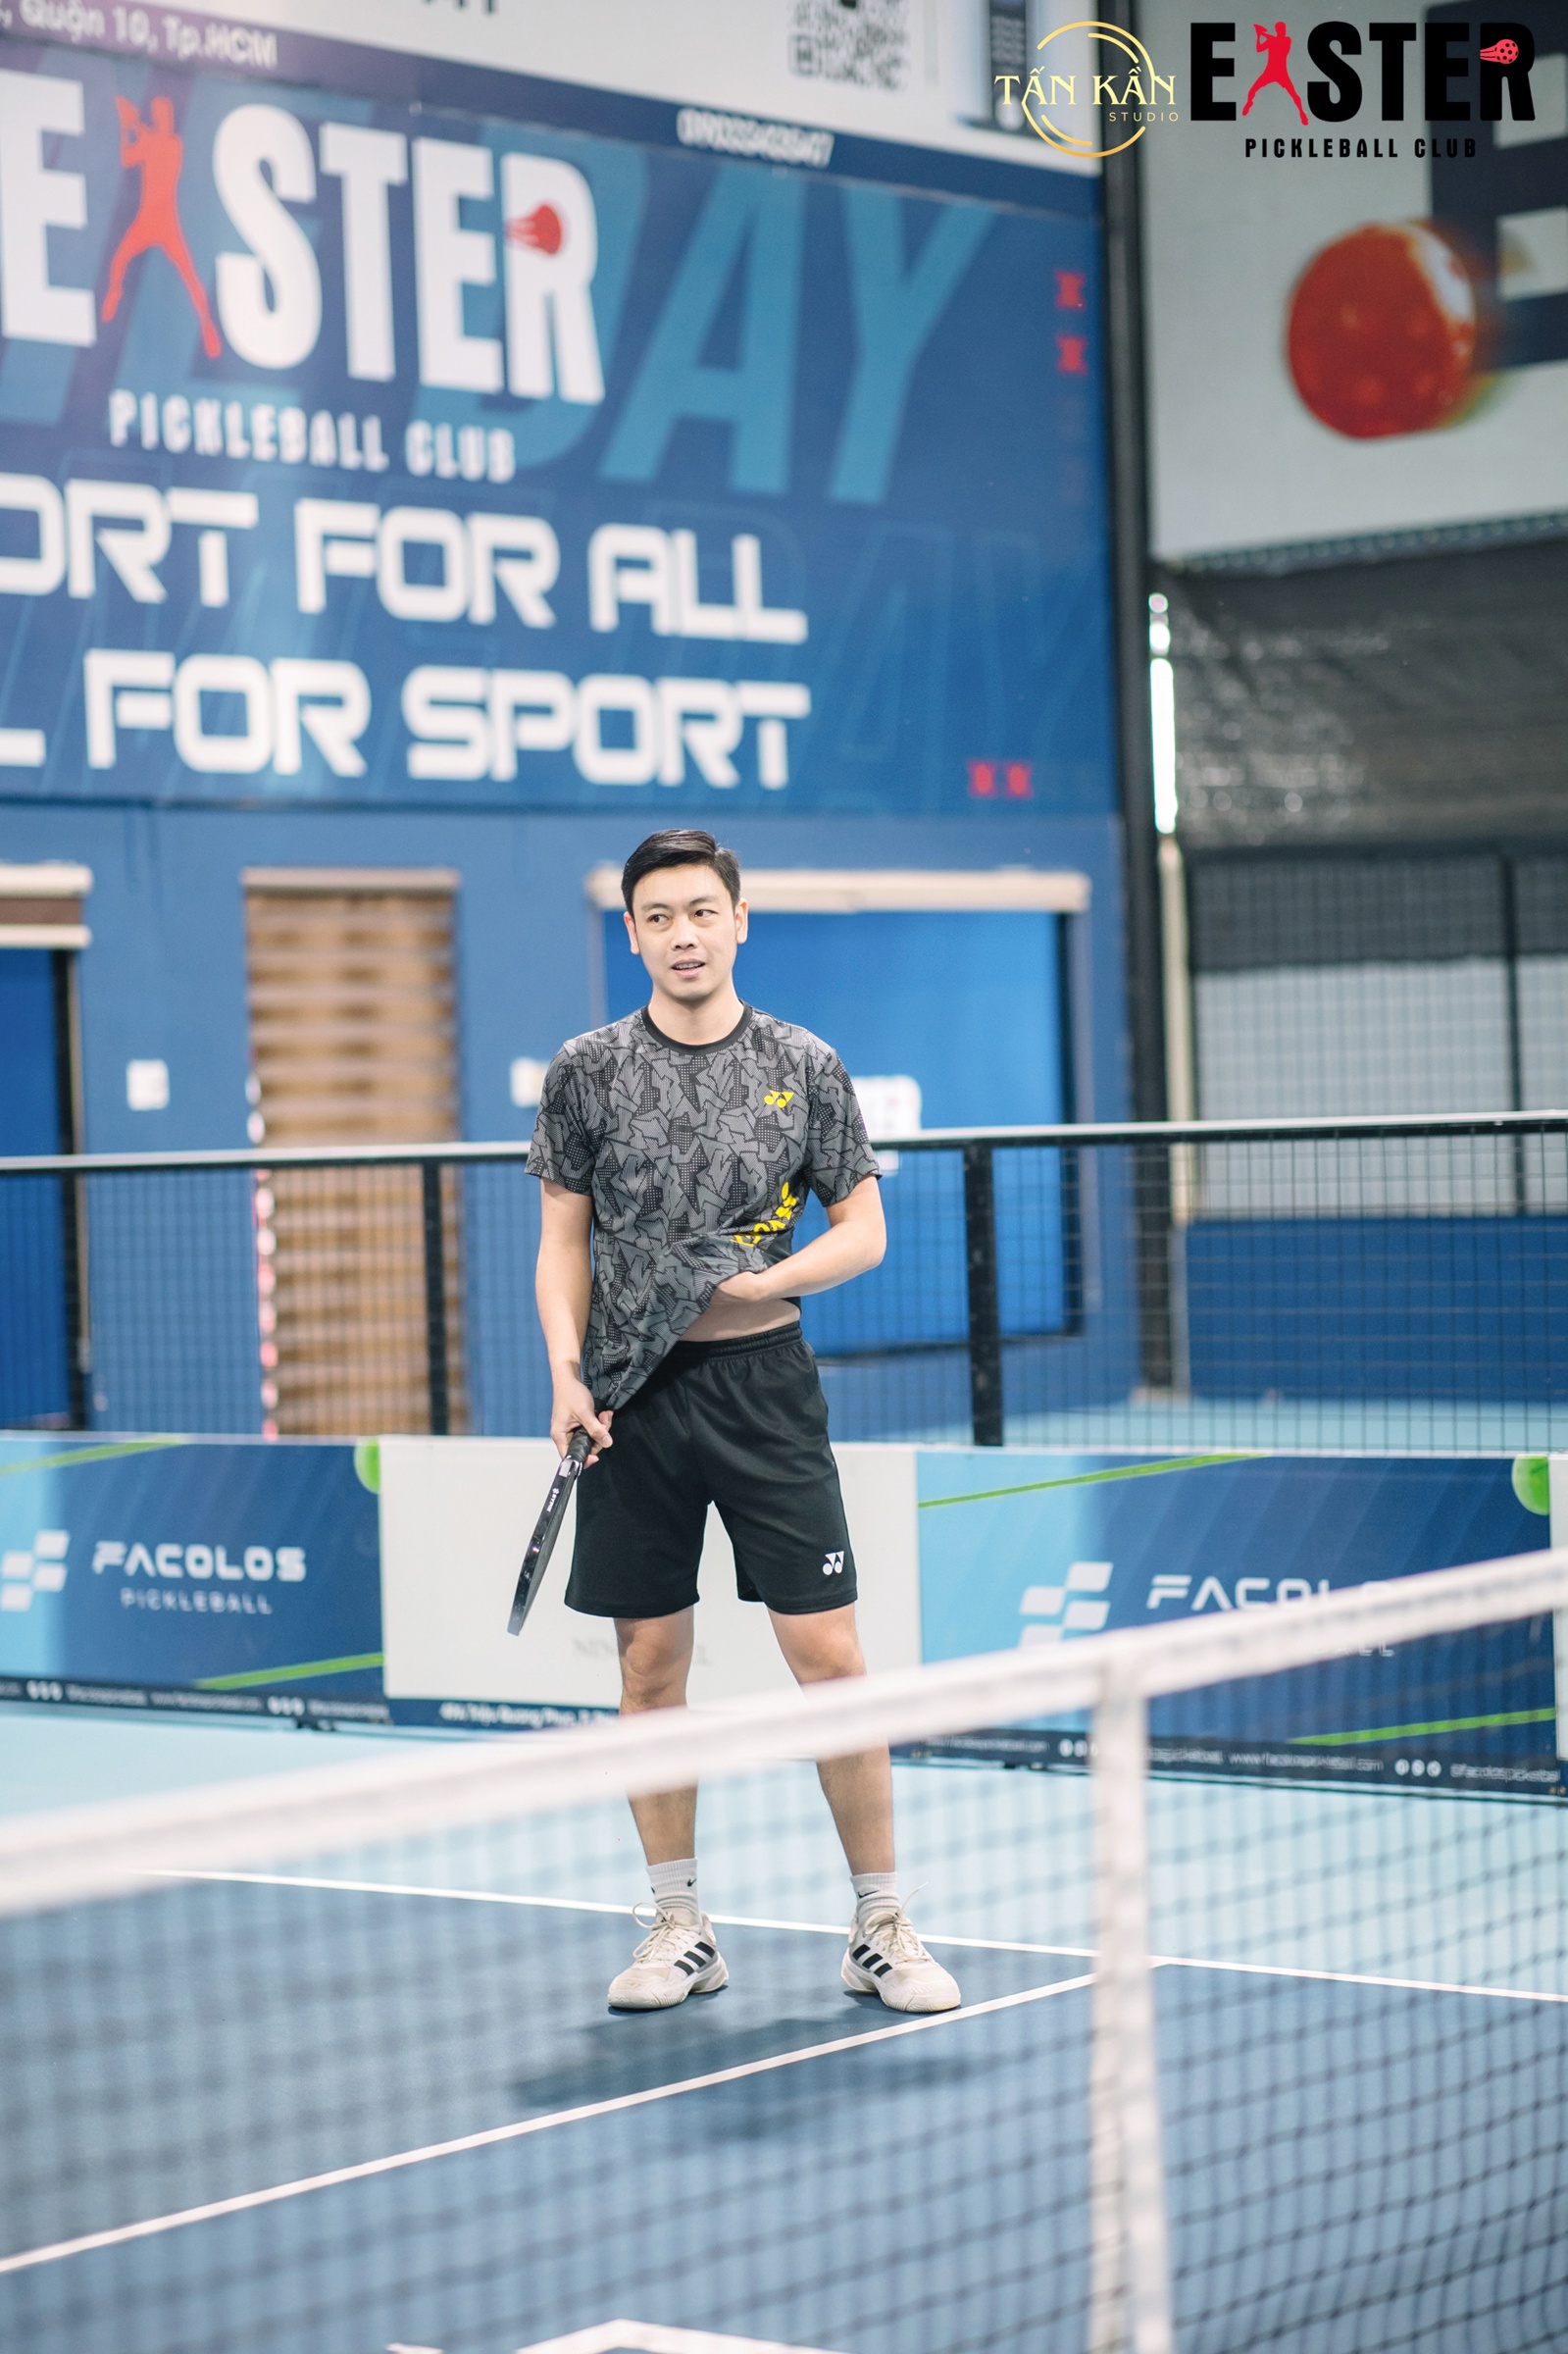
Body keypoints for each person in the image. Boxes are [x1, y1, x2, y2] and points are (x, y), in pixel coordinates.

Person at [528, 829, 960, 2018]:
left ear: (739, 920)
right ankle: (679, 1924)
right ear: (633, 935)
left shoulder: (803, 1062)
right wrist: (566, 1375)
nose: (684, 935)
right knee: (649, 1666)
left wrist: (770, 1282)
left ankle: (880, 1922)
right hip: (630, 1396)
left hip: (764, 1386)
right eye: (659, 917)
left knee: (832, 1661)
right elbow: (561, 1245)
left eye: (702, 912)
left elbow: (863, 1230)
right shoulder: (586, 1071)